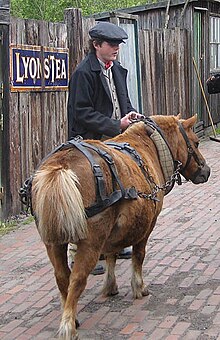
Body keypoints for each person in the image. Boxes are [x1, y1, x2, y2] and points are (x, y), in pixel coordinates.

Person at [67, 21, 142, 275]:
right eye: (112, 44)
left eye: (118, 44)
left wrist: (130, 115)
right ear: (96, 45)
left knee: (120, 191)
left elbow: (124, 101)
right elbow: (82, 113)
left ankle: (114, 244)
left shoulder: (117, 69)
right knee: (88, 196)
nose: (116, 48)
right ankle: (79, 252)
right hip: (88, 142)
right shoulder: (83, 73)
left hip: (115, 140)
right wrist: (114, 124)